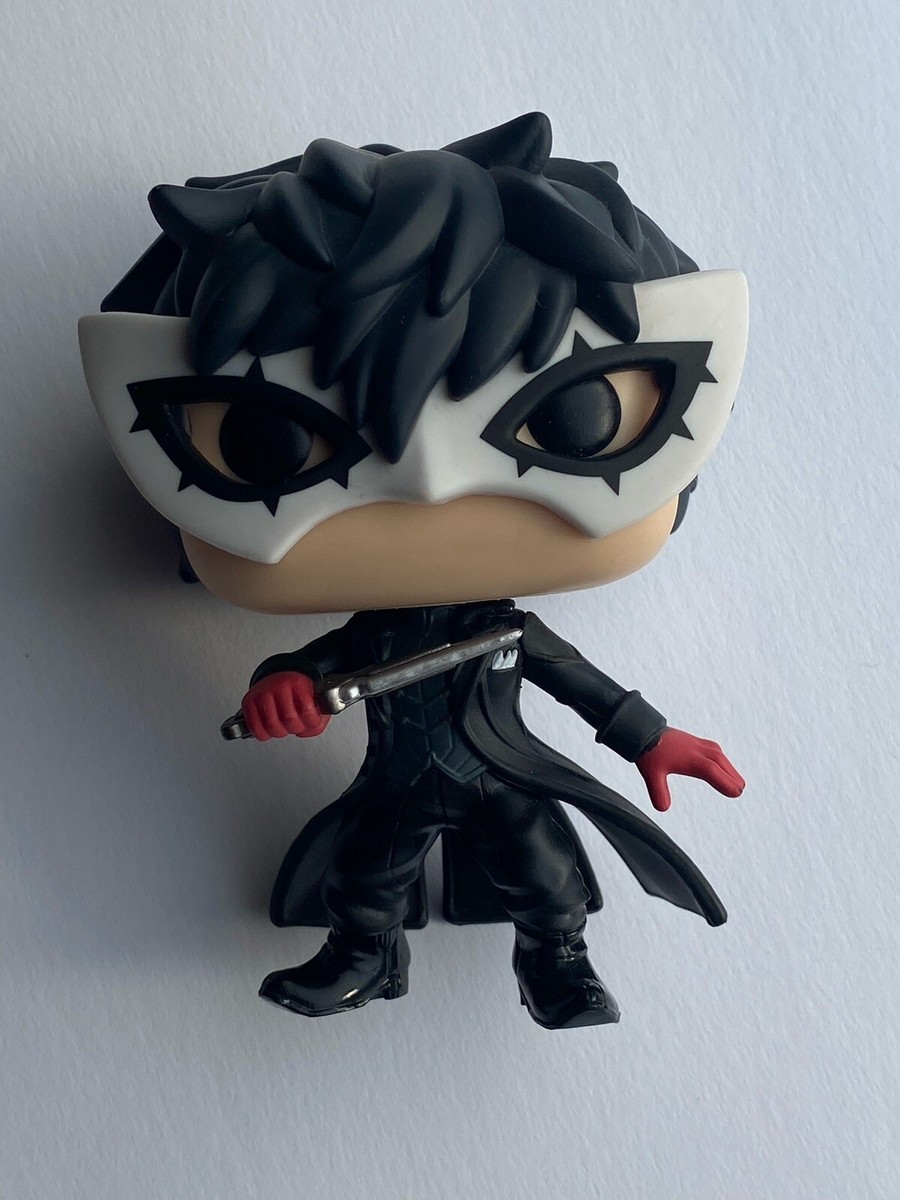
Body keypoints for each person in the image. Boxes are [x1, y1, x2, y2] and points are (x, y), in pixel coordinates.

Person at [80, 113, 748, 1029]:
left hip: (502, 775)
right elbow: (317, 667)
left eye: (577, 416)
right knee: (365, 877)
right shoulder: (381, 636)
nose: (431, 490)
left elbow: (581, 684)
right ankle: (365, 956)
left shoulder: (507, 632)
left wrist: (651, 738)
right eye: (265, 439)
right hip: (397, 782)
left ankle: (556, 960)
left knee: (542, 871)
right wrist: (284, 684)